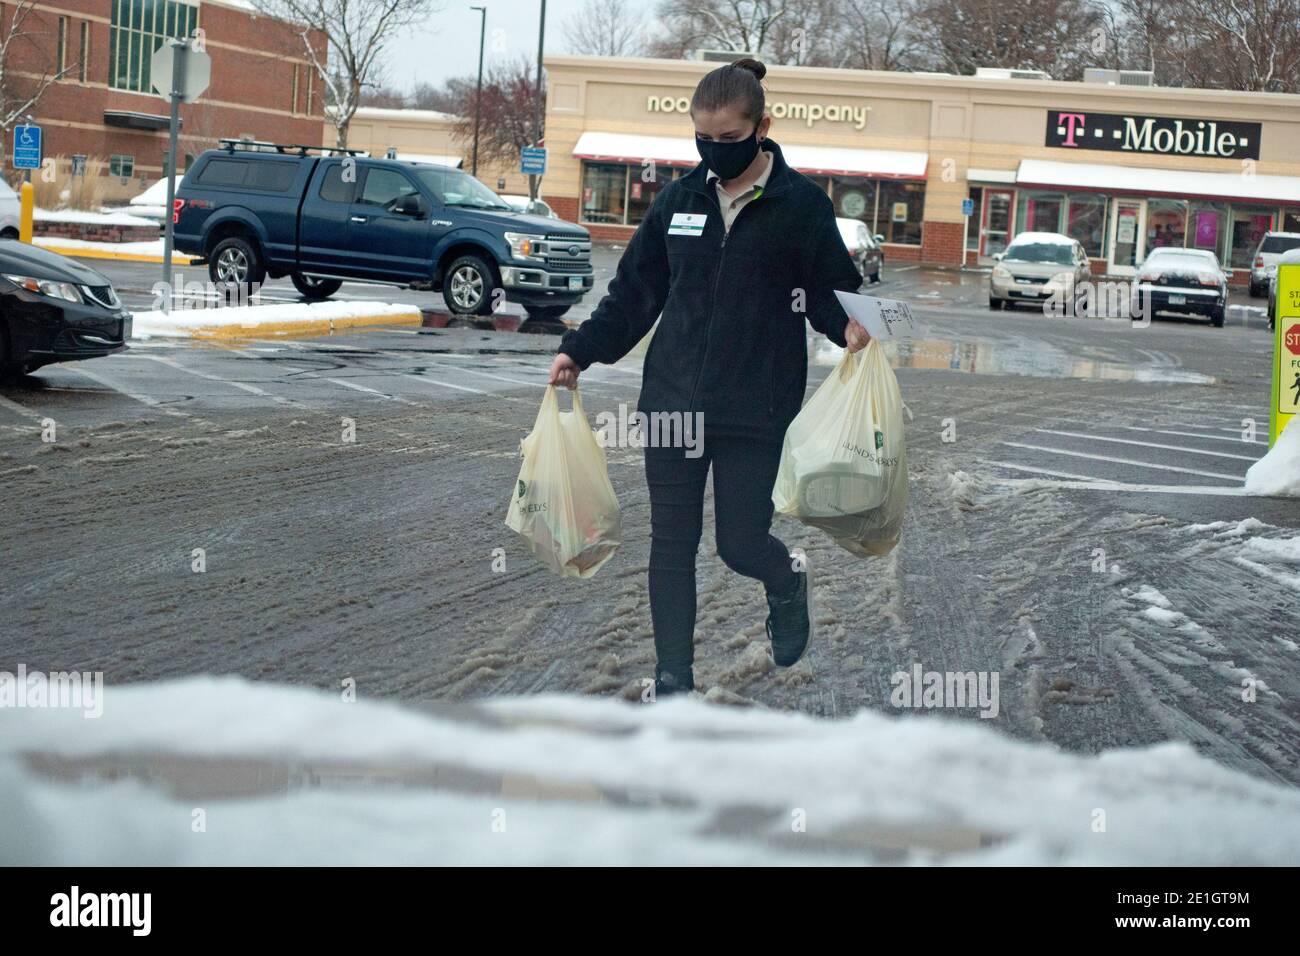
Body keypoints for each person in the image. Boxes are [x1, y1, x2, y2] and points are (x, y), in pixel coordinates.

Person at [548, 57, 870, 697]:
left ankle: (784, 580)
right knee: (670, 547)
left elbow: (832, 292)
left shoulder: (800, 205)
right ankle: (673, 683)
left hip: (756, 405)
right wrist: (578, 351)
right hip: (673, 400)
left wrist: (849, 329)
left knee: (740, 543)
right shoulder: (679, 200)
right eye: (704, 138)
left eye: (728, 139)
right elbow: (636, 292)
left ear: (762, 126)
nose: (714, 151)